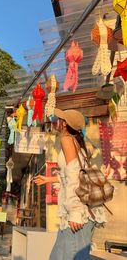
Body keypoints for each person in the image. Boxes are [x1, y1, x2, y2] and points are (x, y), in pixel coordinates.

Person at [34, 108, 106, 260]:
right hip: (76, 214)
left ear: (65, 124)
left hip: (78, 215)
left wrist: (75, 213)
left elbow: (74, 177)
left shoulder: (67, 140)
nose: (54, 121)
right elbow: (72, 176)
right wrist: (48, 179)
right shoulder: (77, 143)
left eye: (58, 118)